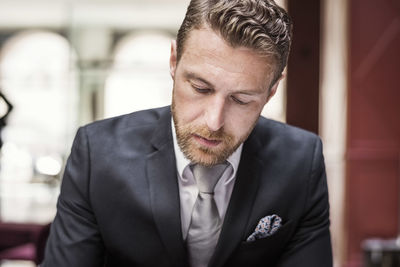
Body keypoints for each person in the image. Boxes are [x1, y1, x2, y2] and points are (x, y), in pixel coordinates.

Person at [42, 0, 332, 266]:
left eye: (241, 99)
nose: (214, 121)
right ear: (173, 60)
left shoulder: (302, 161)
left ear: (272, 90)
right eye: (200, 88)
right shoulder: (97, 152)